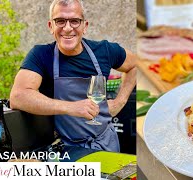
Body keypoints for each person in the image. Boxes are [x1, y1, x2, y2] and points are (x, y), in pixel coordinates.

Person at [10, 0, 136, 152]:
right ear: (51, 26)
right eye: (60, 21)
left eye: (75, 21)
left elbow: (136, 64)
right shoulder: (41, 55)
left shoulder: (105, 50)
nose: (68, 28)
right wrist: (71, 107)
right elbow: (18, 96)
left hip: (106, 143)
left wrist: (120, 102)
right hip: (66, 149)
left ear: (85, 26)